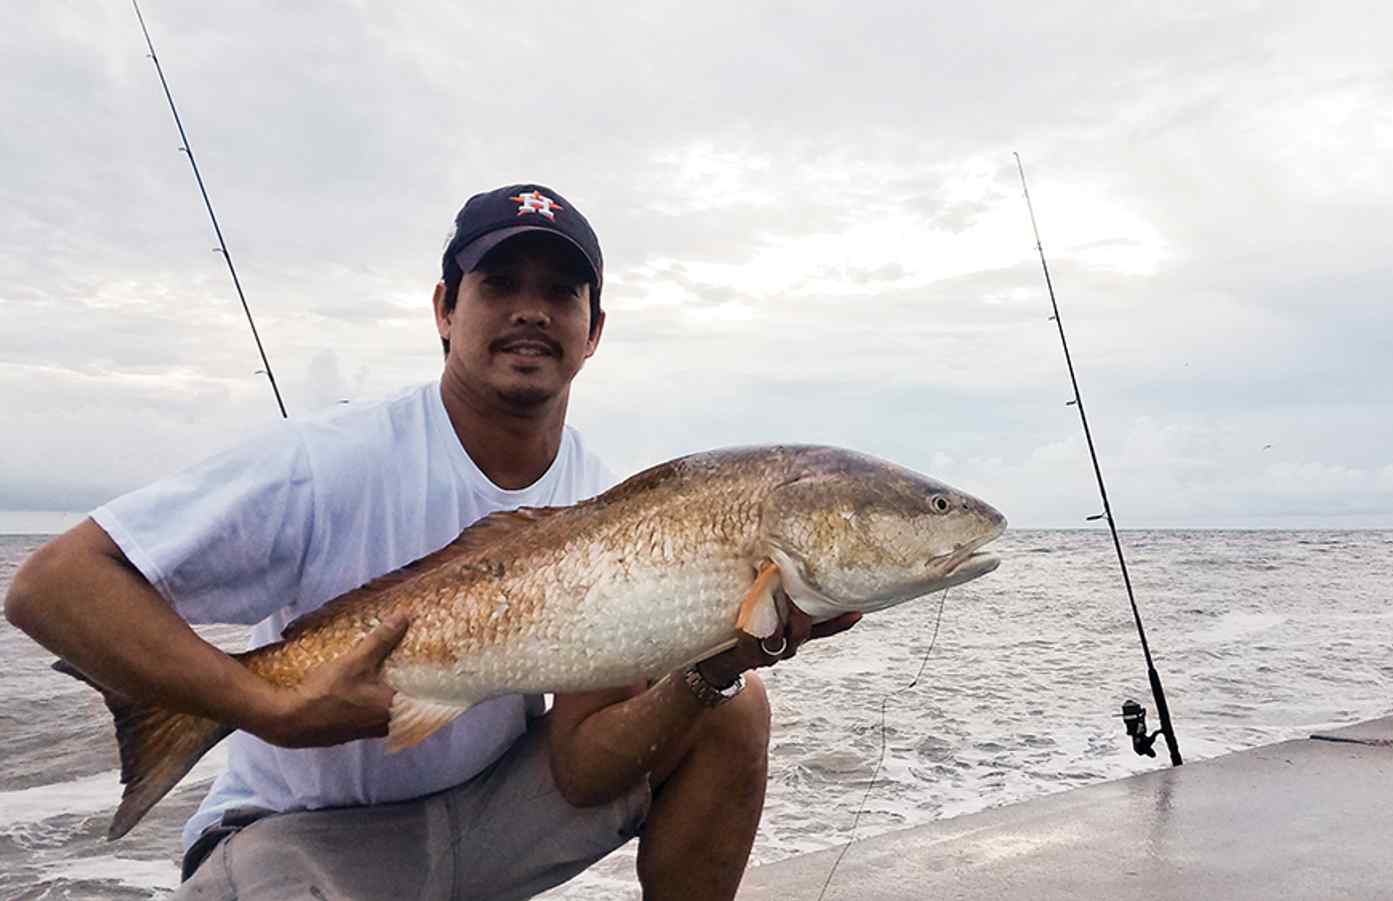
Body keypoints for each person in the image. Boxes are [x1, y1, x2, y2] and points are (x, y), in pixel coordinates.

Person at [4, 183, 860, 900]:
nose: (531, 310)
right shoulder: (328, 459)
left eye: (561, 292)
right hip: (300, 836)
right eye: (499, 284)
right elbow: (53, 583)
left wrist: (711, 667)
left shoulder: (607, 504)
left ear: (593, 330)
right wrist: (267, 707)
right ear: (446, 310)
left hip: (482, 822)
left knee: (733, 708)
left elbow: (580, 771)